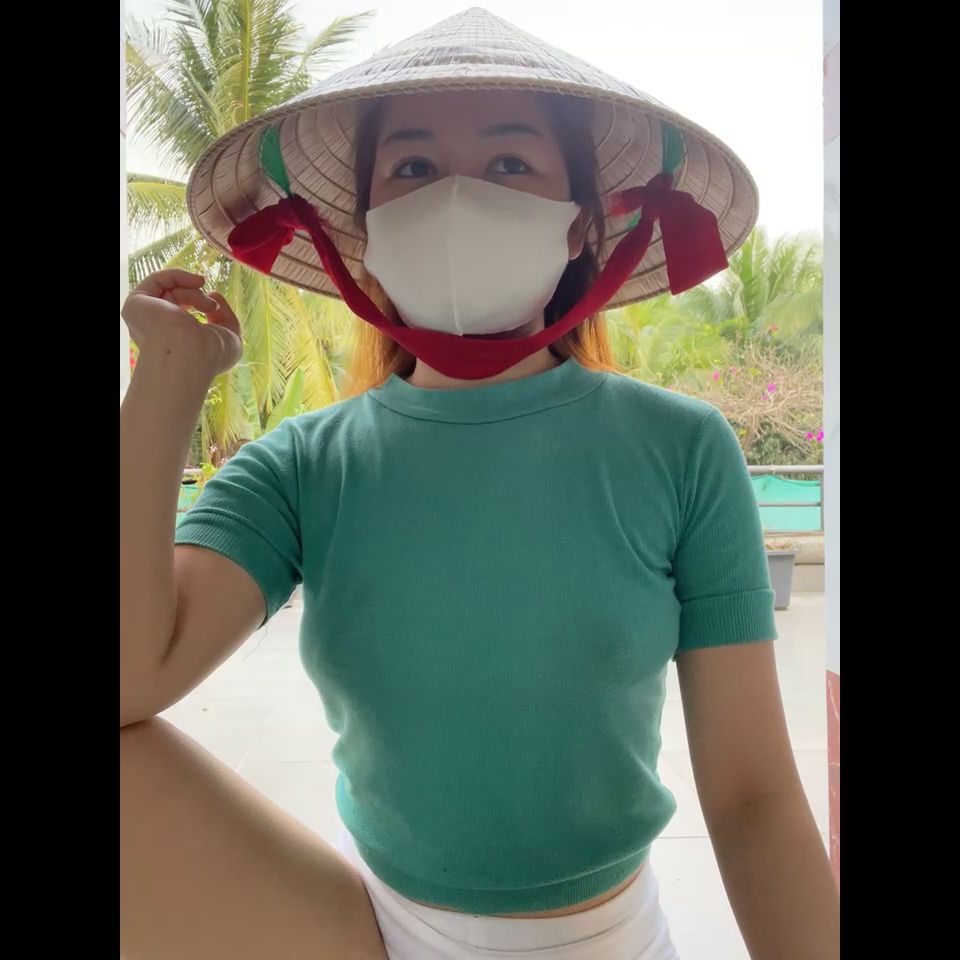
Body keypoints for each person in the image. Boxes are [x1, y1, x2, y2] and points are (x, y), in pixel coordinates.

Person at [120, 8, 839, 959]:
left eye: (510, 163)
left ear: (582, 225)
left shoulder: (680, 448)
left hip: (606, 938)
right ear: (364, 234)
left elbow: (752, 800)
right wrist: (166, 386)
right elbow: (128, 679)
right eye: (413, 167)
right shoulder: (301, 465)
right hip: (359, 929)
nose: (457, 198)